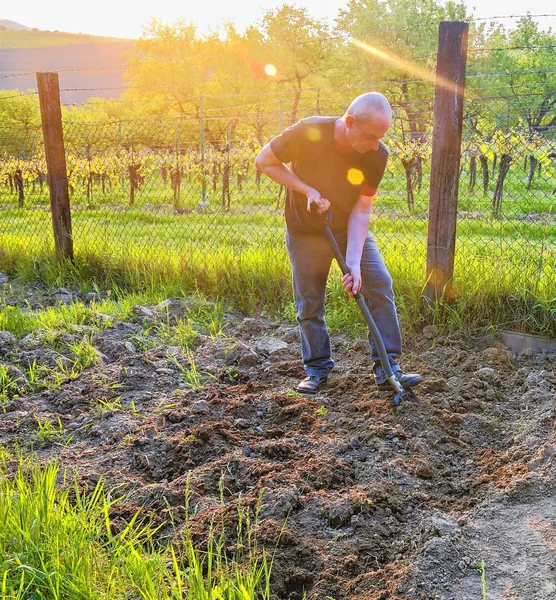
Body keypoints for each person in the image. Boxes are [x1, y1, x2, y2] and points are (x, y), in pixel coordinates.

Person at [255, 92, 423, 395]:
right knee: (309, 300)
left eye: (380, 138)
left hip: (347, 228)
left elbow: (362, 208)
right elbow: (264, 161)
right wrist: (306, 190)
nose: (375, 145)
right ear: (349, 122)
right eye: (371, 136)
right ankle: (317, 368)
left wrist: (354, 264)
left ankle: (388, 369)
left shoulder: (377, 155)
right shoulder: (308, 132)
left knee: (379, 283)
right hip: (305, 230)